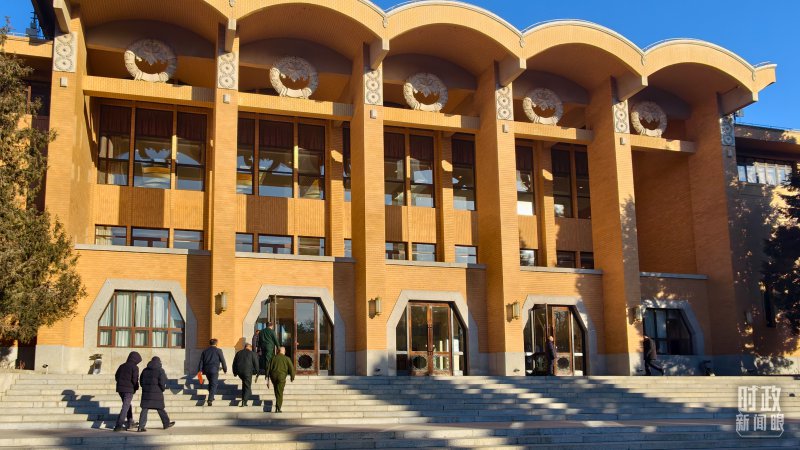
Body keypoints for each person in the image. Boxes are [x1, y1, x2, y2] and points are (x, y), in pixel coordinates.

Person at [137, 356, 174, 432]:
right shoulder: (160, 370)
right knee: (160, 408)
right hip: (157, 393)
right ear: (159, 362)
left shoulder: (145, 370)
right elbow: (162, 382)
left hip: (146, 393)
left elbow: (141, 381)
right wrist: (162, 389)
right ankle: (166, 424)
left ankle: (140, 426)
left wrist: (145, 388)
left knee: (144, 409)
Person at [113, 351, 141, 432]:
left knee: (128, 405)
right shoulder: (134, 367)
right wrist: (136, 387)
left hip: (120, 389)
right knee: (125, 407)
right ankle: (118, 425)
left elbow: (116, 376)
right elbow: (135, 380)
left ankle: (130, 422)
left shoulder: (122, 366)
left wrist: (121, 383)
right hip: (128, 390)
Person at [198, 338, 227, 406]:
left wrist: (200, 370)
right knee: (214, 384)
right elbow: (222, 360)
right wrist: (225, 369)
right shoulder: (218, 350)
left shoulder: (205, 351)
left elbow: (201, 361)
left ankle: (212, 396)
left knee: (211, 383)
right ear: (216, 343)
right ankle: (210, 400)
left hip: (206, 370)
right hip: (214, 369)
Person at [267, 346, 295, 413]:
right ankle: (278, 408)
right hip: (281, 377)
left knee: (276, 390)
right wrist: (292, 377)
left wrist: (267, 379)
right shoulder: (286, 358)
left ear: (278, 351)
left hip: (273, 377)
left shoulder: (273, 358)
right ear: (284, 352)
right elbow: (291, 368)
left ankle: (277, 404)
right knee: (280, 392)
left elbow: (268, 368)